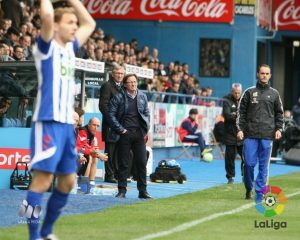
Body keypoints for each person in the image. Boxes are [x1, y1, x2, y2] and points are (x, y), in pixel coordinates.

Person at [21, 1, 95, 239]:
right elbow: (46, 14)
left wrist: (73, 2)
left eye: (75, 23)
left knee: (68, 182)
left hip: (65, 126)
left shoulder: (69, 48)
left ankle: (46, 232)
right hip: (48, 122)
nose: (75, 26)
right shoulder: (46, 47)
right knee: (41, 183)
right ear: (56, 26)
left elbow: (90, 23)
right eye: (69, 22)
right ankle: (32, 235)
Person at [237, 64, 283, 201]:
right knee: (249, 164)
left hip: (267, 135)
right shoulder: (249, 92)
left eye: (267, 73)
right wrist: (240, 129)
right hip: (250, 135)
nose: (264, 75)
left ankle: (260, 191)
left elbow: (279, 114)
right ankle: (249, 187)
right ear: (257, 74)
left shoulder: (274, 94)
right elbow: (241, 112)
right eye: (262, 73)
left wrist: (279, 129)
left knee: (264, 166)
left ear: (270, 75)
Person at [107, 73, 151, 199]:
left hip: (139, 134)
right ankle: (122, 191)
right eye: (130, 82)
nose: (133, 84)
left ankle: (143, 191)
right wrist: (121, 130)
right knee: (124, 164)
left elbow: (147, 113)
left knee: (142, 163)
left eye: (135, 82)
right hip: (124, 134)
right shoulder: (119, 97)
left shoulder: (142, 96)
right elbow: (110, 115)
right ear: (125, 85)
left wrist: (145, 130)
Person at [99, 63, 125, 183]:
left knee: (119, 151)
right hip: (110, 125)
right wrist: (112, 120)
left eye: (121, 73)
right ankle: (109, 175)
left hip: (121, 124)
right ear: (112, 74)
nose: (120, 75)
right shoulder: (107, 86)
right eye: (118, 73)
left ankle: (116, 174)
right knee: (110, 150)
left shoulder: (123, 87)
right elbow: (103, 106)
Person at [76, 117, 108, 190]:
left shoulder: (92, 134)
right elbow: (81, 147)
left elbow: (92, 149)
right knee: (89, 158)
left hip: (81, 152)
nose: (96, 128)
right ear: (89, 124)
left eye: (97, 126)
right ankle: (83, 184)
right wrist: (99, 154)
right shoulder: (83, 131)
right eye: (94, 125)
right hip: (76, 153)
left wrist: (98, 155)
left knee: (95, 158)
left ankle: (91, 182)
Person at [223, 83, 244, 184]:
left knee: (246, 157)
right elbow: (227, 116)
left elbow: (247, 116)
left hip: (242, 134)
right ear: (232, 91)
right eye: (235, 93)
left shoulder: (245, 100)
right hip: (230, 134)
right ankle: (230, 177)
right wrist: (238, 116)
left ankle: (245, 175)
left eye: (239, 93)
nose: (237, 94)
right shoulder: (226, 101)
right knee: (230, 157)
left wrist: (235, 114)